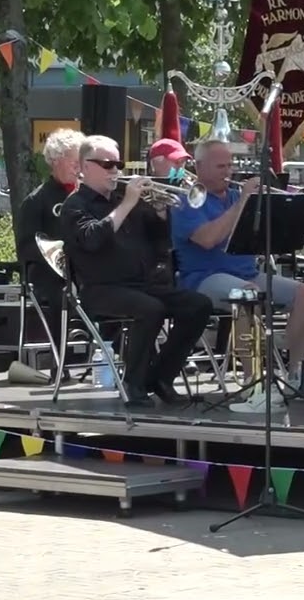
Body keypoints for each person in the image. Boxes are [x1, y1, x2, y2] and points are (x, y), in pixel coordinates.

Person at [60, 135, 213, 408]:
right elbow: (92, 240)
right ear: (84, 166)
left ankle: (161, 377)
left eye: (117, 164)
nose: (114, 170)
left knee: (198, 305)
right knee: (150, 308)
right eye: (107, 164)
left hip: (140, 284)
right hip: (100, 289)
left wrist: (160, 214)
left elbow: (160, 245)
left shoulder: (125, 199)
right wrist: (128, 204)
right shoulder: (75, 205)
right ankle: (134, 383)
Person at [172, 139, 304, 392]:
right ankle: (255, 383)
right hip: (203, 278)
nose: (228, 172)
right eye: (220, 166)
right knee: (248, 293)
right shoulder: (186, 201)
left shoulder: (234, 195)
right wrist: (243, 203)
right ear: (199, 167)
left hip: (247, 273)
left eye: (230, 165)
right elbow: (208, 239)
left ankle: (297, 373)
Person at [16, 128, 85, 308]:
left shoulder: (90, 195)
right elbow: (26, 248)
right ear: (55, 161)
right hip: (53, 278)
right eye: (74, 162)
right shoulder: (36, 200)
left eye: (82, 162)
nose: (79, 168)